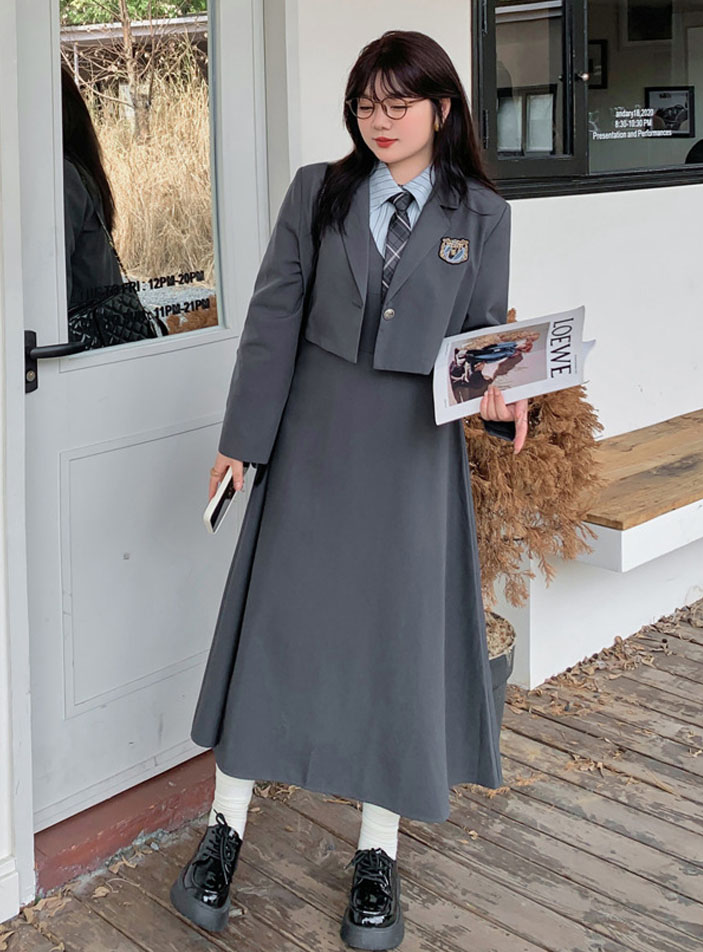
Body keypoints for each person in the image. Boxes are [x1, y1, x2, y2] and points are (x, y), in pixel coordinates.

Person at [169, 30, 529, 950]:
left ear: (440, 110)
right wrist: (241, 445)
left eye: (398, 105)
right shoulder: (316, 191)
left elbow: (482, 342)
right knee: (274, 634)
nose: (380, 121)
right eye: (367, 105)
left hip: (413, 461)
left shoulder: (482, 213)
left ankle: (378, 853)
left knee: (393, 650)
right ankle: (223, 832)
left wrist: (502, 405)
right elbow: (272, 318)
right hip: (312, 446)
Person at [60, 65, 123, 314]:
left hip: (82, 332)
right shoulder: (78, 168)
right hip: (102, 326)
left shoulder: (62, 176)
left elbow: (54, 290)